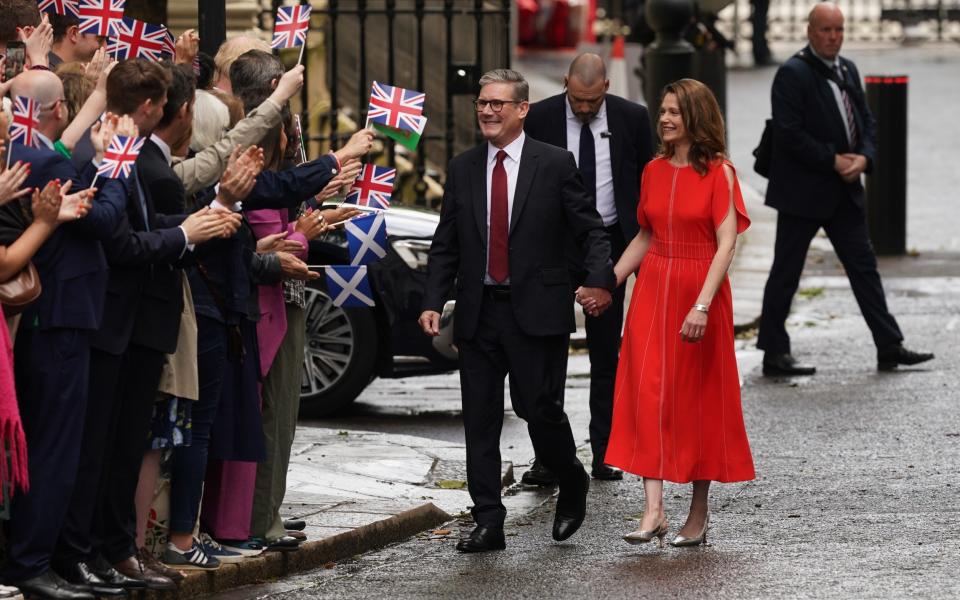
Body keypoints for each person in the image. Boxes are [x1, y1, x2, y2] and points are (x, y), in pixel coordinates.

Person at [419, 68, 615, 553]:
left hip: (537, 312)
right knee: (479, 418)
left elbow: (591, 230)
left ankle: (571, 478)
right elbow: (446, 243)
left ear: (522, 110)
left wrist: (597, 279)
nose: (486, 111)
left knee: (539, 410)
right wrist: (432, 300)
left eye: (497, 104)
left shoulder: (554, 163)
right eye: (482, 103)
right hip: (479, 312)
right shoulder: (464, 167)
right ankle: (489, 519)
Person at [598, 78, 754, 548]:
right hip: (654, 291)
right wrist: (609, 282)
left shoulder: (720, 173)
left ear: (696, 118)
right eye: (662, 111)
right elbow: (646, 236)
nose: (665, 119)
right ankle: (653, 510)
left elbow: (726, 243)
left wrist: (702, 305)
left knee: (696, 401)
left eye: (674, 112)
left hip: (699, 293)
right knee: (648, 393)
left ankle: (698, 512)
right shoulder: (653, 170)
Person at [757, 3, 933, 376]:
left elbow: (866, 121)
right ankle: (774, 352)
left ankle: (889, 346)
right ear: (810, 31)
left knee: (864, 269)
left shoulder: (847, 69)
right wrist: (834, 160)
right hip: (803, 193)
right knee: (786, 272)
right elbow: (789, 134)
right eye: (826, 30)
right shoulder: (792, 74)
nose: (834, 37)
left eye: (839, 30)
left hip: (844, 192)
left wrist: (865, 159)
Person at [523, 52, 653, 483]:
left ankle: (605, 452)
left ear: (607, 89)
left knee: (606, 353)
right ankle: (548, 458)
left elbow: (644, 178)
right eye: (576, 100)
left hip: (610, 244)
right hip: (553, 245)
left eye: (591, 102)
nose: (582, 108)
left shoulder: (632, 118)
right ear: (565, 84)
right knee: (547, 352)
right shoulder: (539, 117)